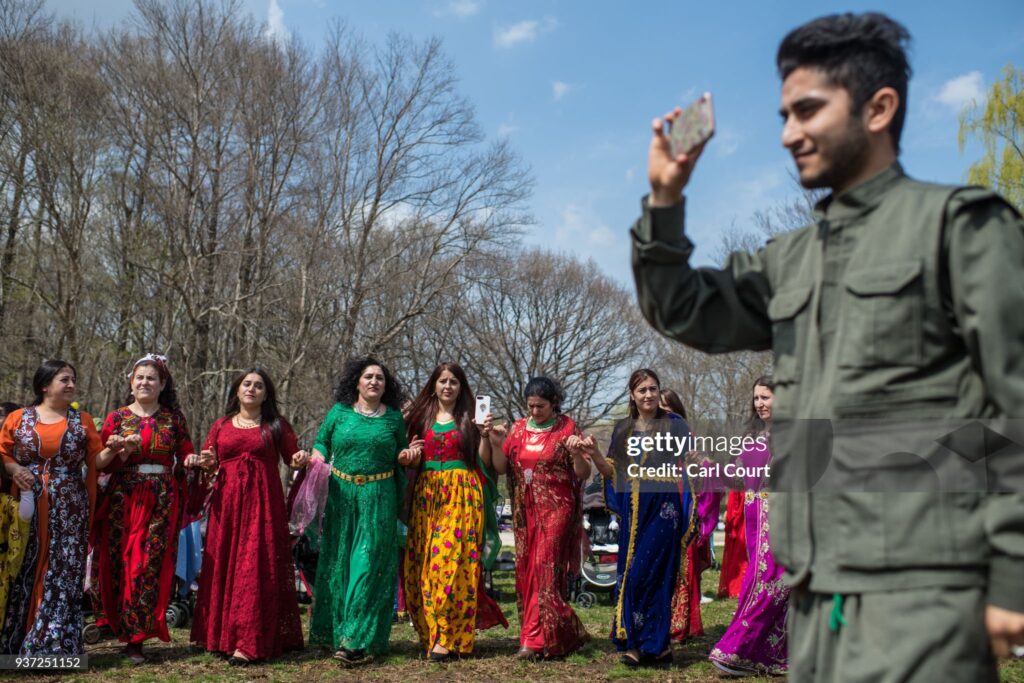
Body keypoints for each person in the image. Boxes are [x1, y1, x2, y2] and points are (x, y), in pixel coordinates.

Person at [631, 12, 1024, 681]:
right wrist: (664, 202)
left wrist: (1013, 572)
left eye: (807, 110)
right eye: (784, 114)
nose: (788, 133)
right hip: (814, 597)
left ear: (879, 107)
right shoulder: (790, 259)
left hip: (925, 594)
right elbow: (682, 309)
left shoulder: (962, 230)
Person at [0, 360, 124, 654]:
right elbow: (3, 451)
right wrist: (14, 468)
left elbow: (95, 461)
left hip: (70, 506)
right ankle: (16, 641)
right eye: (64, 380)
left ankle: (52, 643)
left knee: (63, 568)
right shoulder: (18, 417)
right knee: (26, 566)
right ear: (45, 385)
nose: (71, 385)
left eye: (73, 380)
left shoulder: (82, 420)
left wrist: (114, 449)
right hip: (28, 502)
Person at [190, 368, 309, 665]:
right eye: (247, 384)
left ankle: (248, 640)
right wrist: (205, 462)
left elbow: (293, 457)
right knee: (225, 563)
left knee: (254, 566)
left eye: (258, 386)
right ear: (237, 389)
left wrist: (299, 459)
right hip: (227, 506)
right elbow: (210, 462)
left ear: (266, 394)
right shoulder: (221, 425)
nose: (252, 389)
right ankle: (221, 636)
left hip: (263, 506)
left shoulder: (276, 425)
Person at [579, 369, 695, 667]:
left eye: (653, 389)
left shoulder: (674, 424)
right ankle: (656, 646)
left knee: (650, 574)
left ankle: (645, 646)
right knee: (632, 577)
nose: (648, 395)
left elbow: (690, 460)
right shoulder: (623, 430)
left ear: (659, 392)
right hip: (634, 511)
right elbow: (612, 473)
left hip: (663, 509)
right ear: (632, 394)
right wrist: (594, 454)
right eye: (642, 390)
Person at [308, 357, 420, 665]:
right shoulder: (339, 412)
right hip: (342, 498)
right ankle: (339, 632)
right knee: (340, 564)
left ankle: (354, 639)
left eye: (380, 378)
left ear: (387, 386)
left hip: (379, 497)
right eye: (368, 377)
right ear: (356, 382)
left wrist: (407, 456)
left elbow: (401, 453)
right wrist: (313, 460)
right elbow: (321, 443)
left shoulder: (394, 417)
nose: (374, 382)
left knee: (367, 564)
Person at [89, 354, 200, 663]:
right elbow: (99, 461)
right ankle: (118, 625)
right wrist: (114, 447)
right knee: (121, 561)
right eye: (139, 377)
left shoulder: (174, 419)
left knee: (148, 563)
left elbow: (186, 452)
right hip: (122, 499)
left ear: (162, 384)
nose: (144, 382)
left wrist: (192, 460)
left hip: (162, 500)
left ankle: (137, 636)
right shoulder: (116, 417)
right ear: (131, 382)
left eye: (151, 378)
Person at [402, 362, 507, 662]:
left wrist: (485, 436)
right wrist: (410, 454)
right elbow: (408, 457)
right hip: (427, 496)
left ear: (461, 387)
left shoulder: (470, 419)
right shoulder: (419, 418)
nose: (448, 386)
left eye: (454, 382)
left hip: (462, 495)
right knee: (423, 567)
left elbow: (485, 463)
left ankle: (448, 638)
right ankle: (434, 633)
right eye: (443, 381)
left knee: (448, 563)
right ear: (434, 384)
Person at [487, 376, 590, 660]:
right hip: (525, 511)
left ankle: (540, 639)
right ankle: (541, 635)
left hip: (557, 510)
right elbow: (502, 467)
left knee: (545, 570)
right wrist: (496, 443)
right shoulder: (519, 429)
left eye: (540, 406)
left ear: (554, 403)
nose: (534, 412)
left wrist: (578, 453)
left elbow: (583, 473)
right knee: (527, 573)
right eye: (530, 406)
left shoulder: (567, 428)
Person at [709, 377, 789, 675]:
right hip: (755, 517)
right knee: (758, 582)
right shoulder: (752, 437)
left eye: (766, 397)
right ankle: (767, 655)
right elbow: (738, 480)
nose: (760, 404)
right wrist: (708, 466)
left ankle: (738, 649)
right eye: (756, 398)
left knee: (774, 583)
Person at [657, 388, 713, 643]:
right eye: (660, 407)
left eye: (668, 407)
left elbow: (699, 470)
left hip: (683, 501)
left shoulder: (686, 435)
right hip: (657, 502)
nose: (664, 411)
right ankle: (660, 621)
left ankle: (681, 624)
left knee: (683, 560)